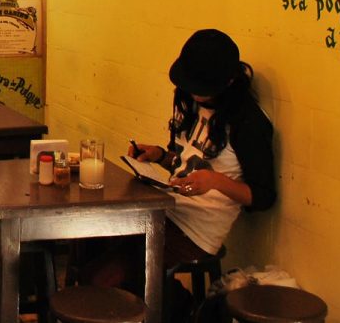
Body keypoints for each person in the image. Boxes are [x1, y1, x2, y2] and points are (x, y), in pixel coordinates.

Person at [92, 29, 275, 295]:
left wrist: (215, 181)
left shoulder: (247, 122)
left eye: (200, 88)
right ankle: (168, 303)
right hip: (166, 210)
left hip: (197, 230)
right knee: (93, 244)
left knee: (103, 280)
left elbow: (263, 197)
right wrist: (158, 156)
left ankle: (170, 306)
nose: (193, 92)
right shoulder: (190, 101)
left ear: (228, 82)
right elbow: (184, 163)